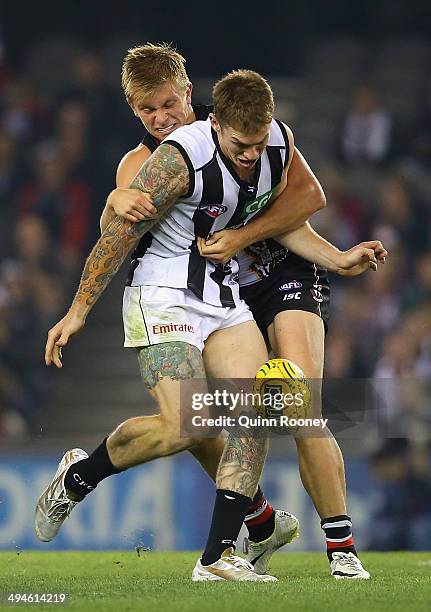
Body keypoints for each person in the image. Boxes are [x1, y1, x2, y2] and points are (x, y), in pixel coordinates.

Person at [36, 54, 384, 582]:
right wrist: (80, 304)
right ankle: (81, 476)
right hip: (165, 294)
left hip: (231, 290)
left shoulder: (243, 135)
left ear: (190, 95)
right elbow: (118, 227)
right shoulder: (162, 159)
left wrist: (335, 258)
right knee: (190, 424)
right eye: (146, 109)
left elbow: (295, 203)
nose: (160, 116)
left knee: (265, 403)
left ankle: (229, 553)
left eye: (169, 103)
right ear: (133, 110)